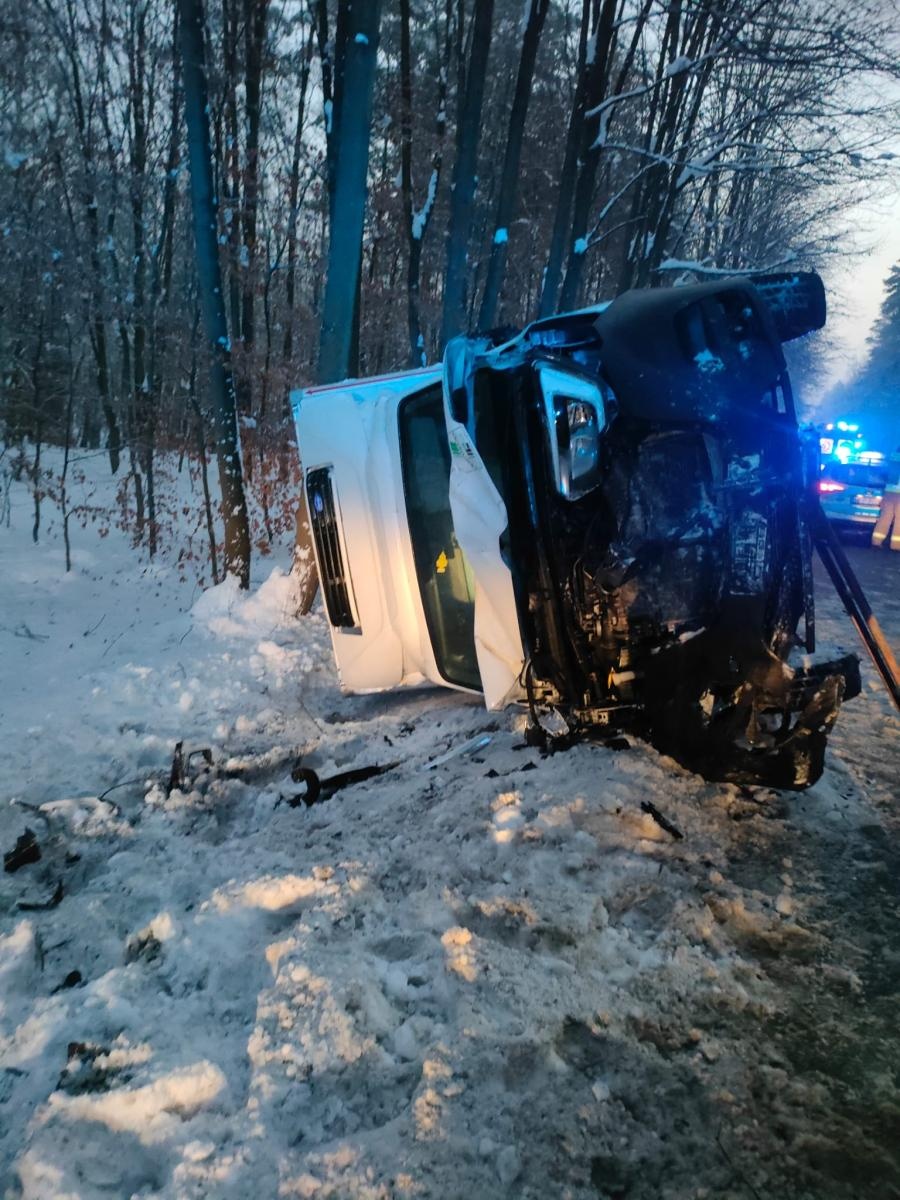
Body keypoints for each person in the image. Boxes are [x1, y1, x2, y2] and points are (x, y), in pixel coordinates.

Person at [871, 446, 900, 550]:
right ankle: (896, 545)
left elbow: (883, 475)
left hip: (889, 492)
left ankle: (876, 541)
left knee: (885, 517)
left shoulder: (892, 460)